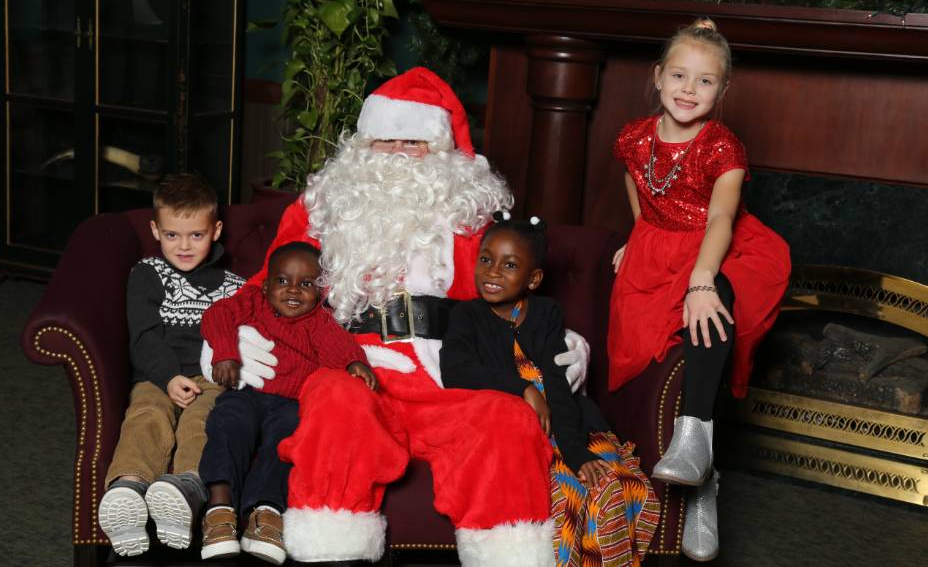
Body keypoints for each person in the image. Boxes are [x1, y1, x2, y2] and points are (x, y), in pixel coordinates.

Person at [201, 67, 592, 566]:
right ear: (363, 146)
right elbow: (265, 283)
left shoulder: (469, 214)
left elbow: (509, 287)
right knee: (334, 402)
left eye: (415, 142)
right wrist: (228, 339)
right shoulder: (321, 209)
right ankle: (332, 552)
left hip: (446, 376)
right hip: (352, 365)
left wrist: (559, 340)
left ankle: (507, 553)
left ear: (441, 151)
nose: (400, 154)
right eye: (387, 141)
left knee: (507, 419)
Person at [608, 18, 791, 561]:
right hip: (658, 253)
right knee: (642, 354)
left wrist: (702, 280)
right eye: (679, 75)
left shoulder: (723, 147)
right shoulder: (633, 137)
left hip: (722, 246)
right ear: (657, 76)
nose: (689, 89)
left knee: (715, 301)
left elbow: (720, 221)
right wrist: (638, 235)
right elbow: (636, 181)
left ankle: (695, 439)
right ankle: (704, 480)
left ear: (723, 89)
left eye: (705, 81)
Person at [441, 214, 660, 567]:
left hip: (569, 422)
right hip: (520, 435)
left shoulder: (545, 312)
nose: (493, 272)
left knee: (612, 484)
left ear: (533, 279)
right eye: (486, 259)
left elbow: (558, 384)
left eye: (509, 265)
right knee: (569, 494)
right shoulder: (466, 315)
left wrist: (575, 453)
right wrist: (524, 388)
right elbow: (455, 371)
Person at [195, 242, 376, 563]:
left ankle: (265, 513)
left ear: (319, 293)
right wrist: (225, 352)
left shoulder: (319, 322)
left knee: (287, 440)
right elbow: (218, 314)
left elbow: (340, 346)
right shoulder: (252, 302)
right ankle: (219, 507)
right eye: (282, 281)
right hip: (246, 391)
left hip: (290, 403)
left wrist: (354, 363)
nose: (293, 290)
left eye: (306, 283)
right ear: (266, 286)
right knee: (228, 423)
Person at [97, 174, 244, 557]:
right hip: (157, 374)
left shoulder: (234, 286)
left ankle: (186, 488)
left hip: (210, 377)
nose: (184, 246)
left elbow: (243, 338)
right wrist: (168, 377)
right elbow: (144, 336)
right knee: (147, 414)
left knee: (203, 421)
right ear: (155, 231)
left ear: (215, 230)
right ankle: (128, 488)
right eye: (172, 235)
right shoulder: (148, 273)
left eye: (196, 235)